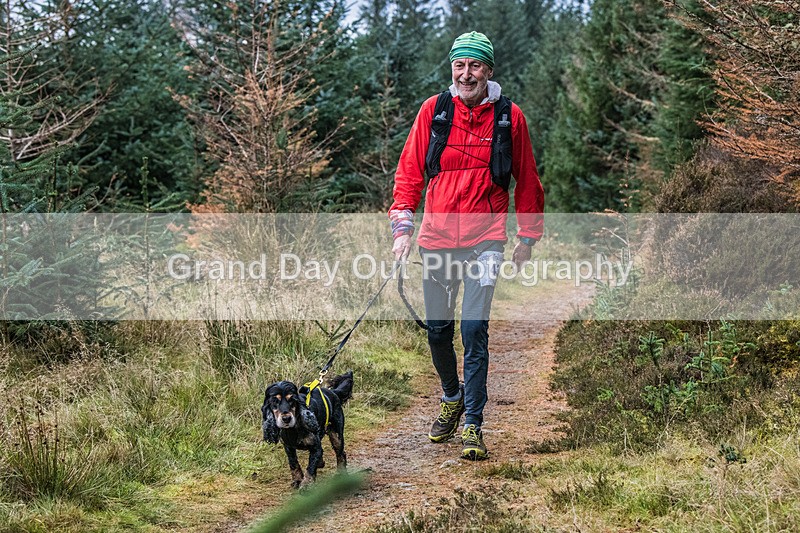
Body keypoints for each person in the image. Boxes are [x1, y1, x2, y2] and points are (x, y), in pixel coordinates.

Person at [388, 31, 544, 460]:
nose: (466, 73)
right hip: (436, 238)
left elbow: (527, 181)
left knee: (473, 331)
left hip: (486, 242)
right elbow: (408, 174)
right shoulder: (433, 111)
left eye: (475, 65)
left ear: (488, 71)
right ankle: (452, 396)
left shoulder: (510, 118)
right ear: (452, 69)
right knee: (438, 333)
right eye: (460, 65)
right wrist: (402, 227)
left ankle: (473, 423)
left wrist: (526, 238)